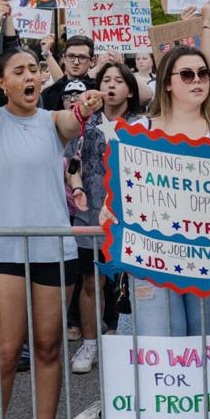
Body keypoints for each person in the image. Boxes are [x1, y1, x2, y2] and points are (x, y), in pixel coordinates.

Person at [0, 0, 102, 419]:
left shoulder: (53, 123)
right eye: (18, 71)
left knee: (47, 348)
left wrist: (87, 105)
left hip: (53, 249)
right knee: (4, 352)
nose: (28, 76)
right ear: (3, 83)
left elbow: (74, 118)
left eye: (33, 70)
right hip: (0, 251)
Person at [101, 44, 210, 419]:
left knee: (198, 345)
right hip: (152, 261)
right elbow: (119, 190)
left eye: (203, 73)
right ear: (166, 82)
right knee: (161, 345)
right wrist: (110, 209)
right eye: (187, 74)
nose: (198, 81)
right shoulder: (138, 131)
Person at [66, 61, 142, 391]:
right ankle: (90, 343)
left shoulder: (142, 124)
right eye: (105, 80)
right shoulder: (86, 122)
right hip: (90, 212)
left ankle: (129, 343)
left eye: (118, 81)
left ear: (130, 90)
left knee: (132, 283)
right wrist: (77, 189)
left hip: (132, 217)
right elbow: (72, 164)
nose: (111, 86)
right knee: (90, 282)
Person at [41, 35, 94, 111]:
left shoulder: (98, 90)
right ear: (64, 58)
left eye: (82, 57)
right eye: (71, 56)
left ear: (92, 61)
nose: (76, 62)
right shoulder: (49, 93)